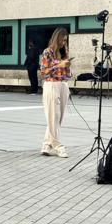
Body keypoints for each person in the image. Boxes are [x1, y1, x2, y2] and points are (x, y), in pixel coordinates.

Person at [40, 28, 71, 158]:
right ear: (57, 38)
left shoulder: (64, 52)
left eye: (66, 40)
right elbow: (43, 72)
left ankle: (47, 144)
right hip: (51, 85)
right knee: (54, 115)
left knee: (58, 118)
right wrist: (59, 65)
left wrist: (67, 67)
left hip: (63, 85)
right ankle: (58, 146)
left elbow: (68, 73)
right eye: (62, 40)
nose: (64, 43)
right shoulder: (47, 52)